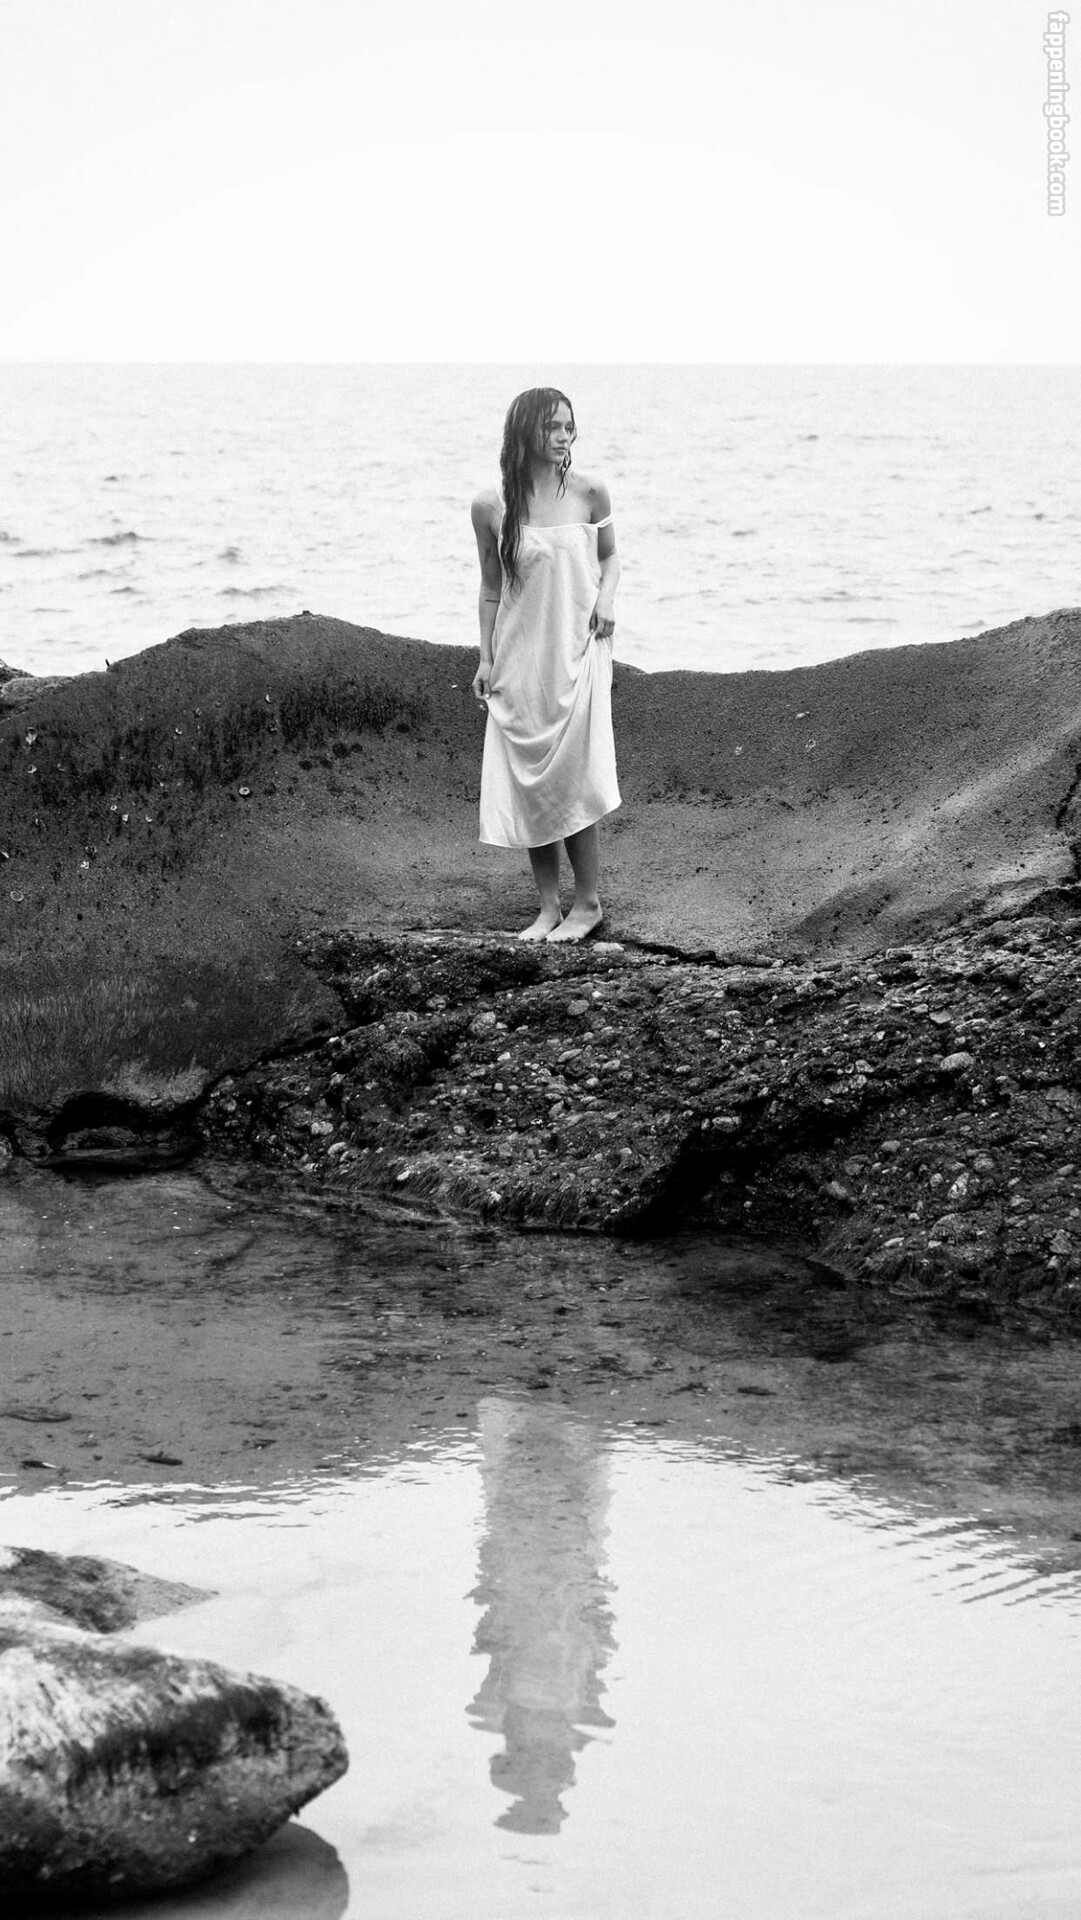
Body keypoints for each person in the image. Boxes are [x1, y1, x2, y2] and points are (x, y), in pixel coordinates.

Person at [471, 387, 621, 942]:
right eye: (552, 427)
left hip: (577, 651)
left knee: (575, 778)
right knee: (530, 780)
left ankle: (588, 904)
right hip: (519, 658)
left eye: (568, 426)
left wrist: (607, 600)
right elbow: (491, 587)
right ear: (525, 432)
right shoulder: (491, 506)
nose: (564, 436)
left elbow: (610, 557)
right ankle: (548, 907)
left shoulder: (590, 492)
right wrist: (486, 658)